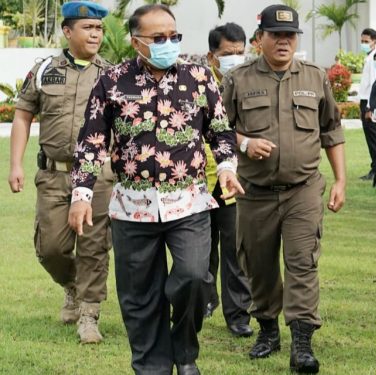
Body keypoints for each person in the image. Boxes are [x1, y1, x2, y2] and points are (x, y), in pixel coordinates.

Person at [67, 4, 243, 374]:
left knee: (194, 277)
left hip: (189, 203)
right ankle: (152, 366)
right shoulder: (111, 81)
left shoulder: (199, 76)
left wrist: (226, 167)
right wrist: (81, 195)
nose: (169, 43)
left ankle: (185, 352)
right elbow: (92, 142)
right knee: (139, 297)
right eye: (158, 38)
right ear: (136, 42)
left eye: (174, 36)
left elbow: (221, 131)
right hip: (133, 206)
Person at [222, 5, 346, 374]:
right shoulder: (238, 80)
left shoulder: (313, 77)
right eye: (275, 34)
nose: (283, 41)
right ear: (260, 38)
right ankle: (268, 330)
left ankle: (302, 343)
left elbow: (332, 130)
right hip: (255, 192)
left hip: (303, 189)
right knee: (258, 266)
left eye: (289, 35)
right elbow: (217, 130)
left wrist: (340, 180)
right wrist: (245, 143)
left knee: (302, 262)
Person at [7, 1, 112, 345]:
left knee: (94, 246)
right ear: (68, 32)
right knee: (50, 248)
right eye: (88, 28)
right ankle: (72, 285)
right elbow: (23, 114)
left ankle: (88, 315)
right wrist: (16, 164)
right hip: (54, 174)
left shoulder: (111, 75)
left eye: (98, 28)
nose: (95, 34)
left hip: (98, 175)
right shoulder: (43, 71)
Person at [204, 22, 254, 338]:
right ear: (213, 56)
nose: (234, 58)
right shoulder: (194, 85)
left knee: (235, 248)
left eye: (239, 53)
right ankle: (204, 300)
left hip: (235, 179)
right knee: (199, 248)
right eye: (227, 54)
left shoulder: (252, 84)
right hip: (198, 179)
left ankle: (238, 315)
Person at [359, 28, 376, 181]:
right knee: (369, 137)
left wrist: (370, 108)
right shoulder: (369, 58)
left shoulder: (373, 60)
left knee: (373, 138)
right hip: (365, 101)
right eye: (362, 41)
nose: (364, 44)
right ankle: (375, 167)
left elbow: (374, 84)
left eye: (366, 41)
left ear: (374, 42)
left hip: (368, 103)